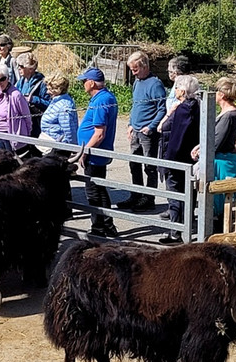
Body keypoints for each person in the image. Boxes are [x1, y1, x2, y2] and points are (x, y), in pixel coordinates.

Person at [191, 77, 236, 235]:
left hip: (222, 161)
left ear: (222, 94)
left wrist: (201, 151)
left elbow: (216, 142)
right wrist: (200, 146)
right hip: (223, 158)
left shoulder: (228, 116)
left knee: (219, 202)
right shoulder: (230, 112)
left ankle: (217, 233)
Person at [116, 51, 166, 213]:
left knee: (149, 166)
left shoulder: (155, 84)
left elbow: (161, 109)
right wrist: (130, 123)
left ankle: (149, 197)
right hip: (136, 130)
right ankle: (136, 194)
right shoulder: (137, 83)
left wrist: (151, 126)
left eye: (135, 69)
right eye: (131, 69)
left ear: (144, 66)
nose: (133, 73)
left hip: (147, 133)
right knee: (134, 164)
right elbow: (136, 105)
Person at [157, 75, 201, 244]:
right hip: (190, 159)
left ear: (182, 91)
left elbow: (175, 137)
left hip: (178, 160)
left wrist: (168, 162)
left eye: (176, 88)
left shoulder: (183, 110)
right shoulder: (197, 106)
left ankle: (176, 232)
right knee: (189, 195)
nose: (174, 91)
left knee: (175, 196)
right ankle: (185, 229)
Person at [76, 67, 119, 239]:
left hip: (95, 154)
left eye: (84, 81)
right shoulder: (103, 97)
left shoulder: (102, 100)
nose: (82, 84)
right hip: (97, 153)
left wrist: (85, 151)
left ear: (91, 82)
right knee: (98, 188)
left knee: (93, 190)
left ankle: (99, 226)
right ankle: (107, 225)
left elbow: (99, 132)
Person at [0, 64, 34, 154]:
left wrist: (26, 137)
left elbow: (27, 117)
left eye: (2, 79)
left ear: (8, 78)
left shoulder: (16, 95)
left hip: (12, 136)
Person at [13, 51, 50, 137]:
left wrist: (33, 99)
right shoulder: (21, 81)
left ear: (30, 69)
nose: (18, 68)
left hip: (36, 123)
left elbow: (49, 104)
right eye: (18, 65)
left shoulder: (42, 83)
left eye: (21, 66)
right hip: (23, 121)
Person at [38, 75, 78, 147]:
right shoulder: (56, 100)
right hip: (50, 143)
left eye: (50, 89)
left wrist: (72, 149)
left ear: (58, 89)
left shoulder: (64, 106)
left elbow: (69, 131)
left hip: (57, 147)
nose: (47, 92)